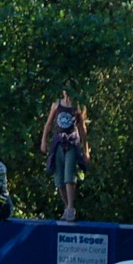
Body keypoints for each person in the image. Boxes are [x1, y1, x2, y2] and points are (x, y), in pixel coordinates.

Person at [41, 92, 91, 222]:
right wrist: (43, 141)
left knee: (69, 174)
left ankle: (70, 207)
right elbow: (48, 124)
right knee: (59, 178)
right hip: (58, 143)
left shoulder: (77, 107)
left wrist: (86, 150)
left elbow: (82, 129)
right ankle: (66, 206)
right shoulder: (56, 105)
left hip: (72, 143)